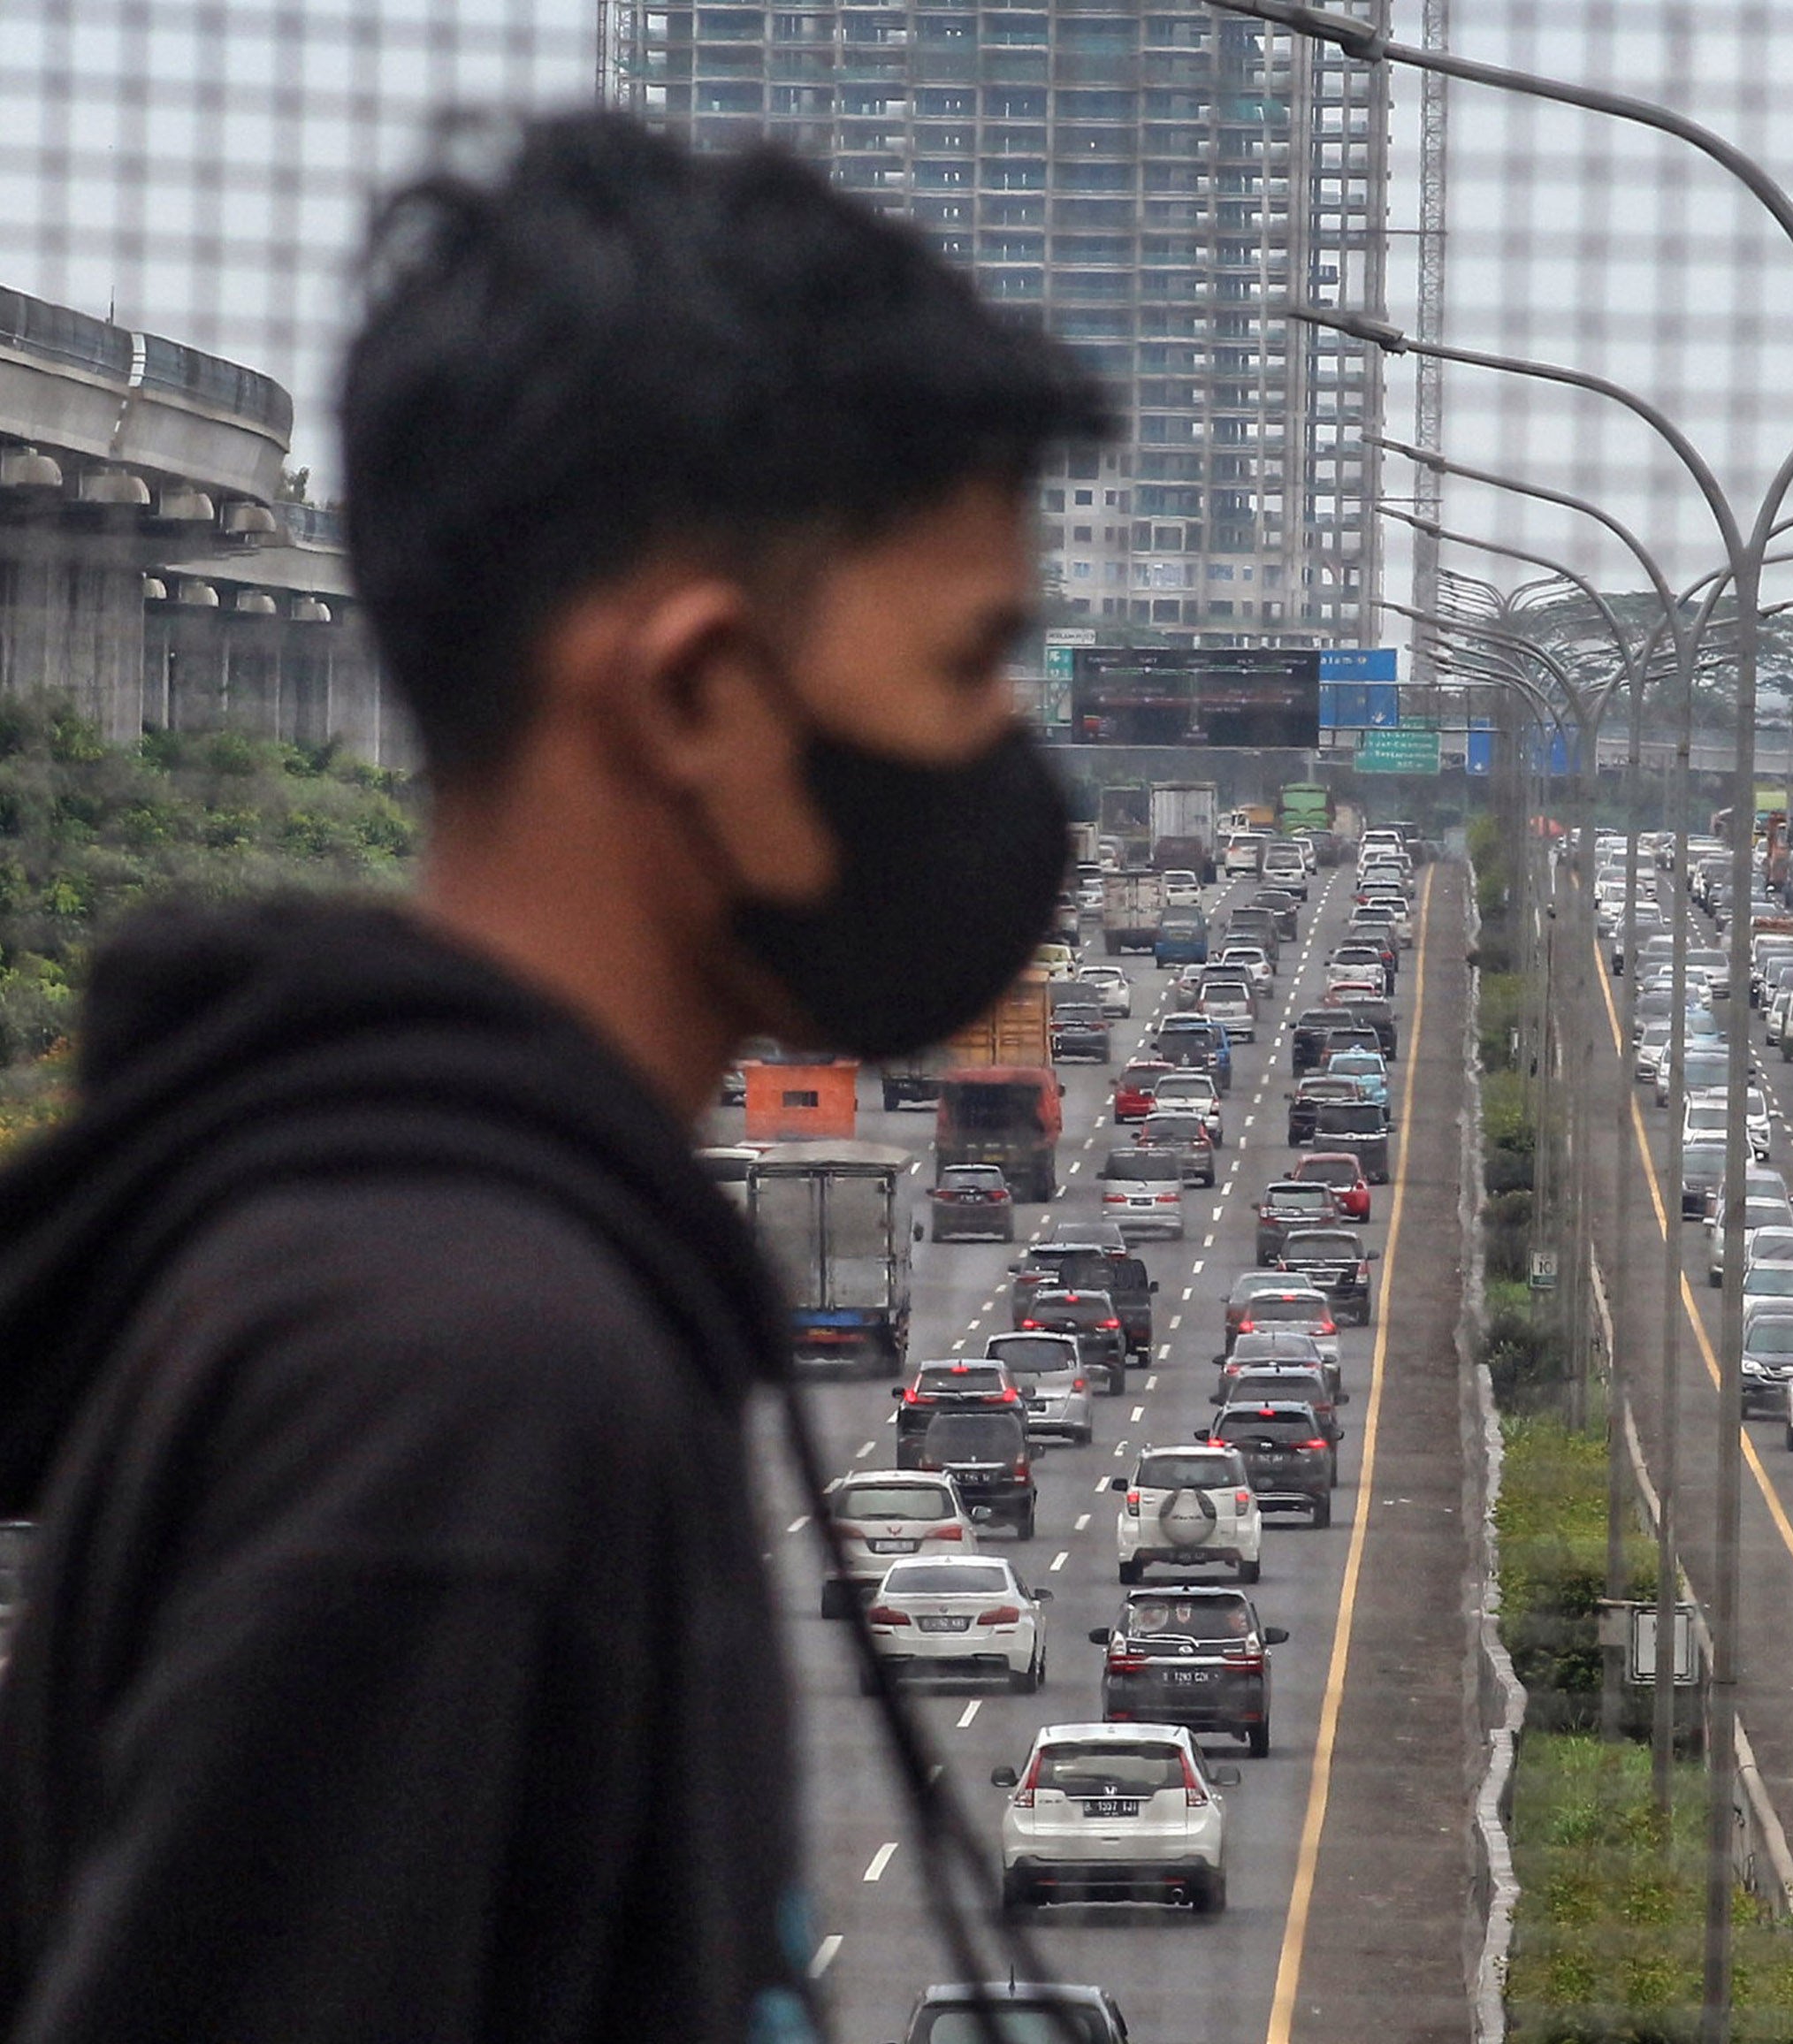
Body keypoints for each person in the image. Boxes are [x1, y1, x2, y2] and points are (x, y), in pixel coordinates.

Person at [0, 112, 1105, 2043]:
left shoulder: (398, 1263)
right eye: (966, 666)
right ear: (691, 694)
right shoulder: (466, 1382)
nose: (1008, 762)